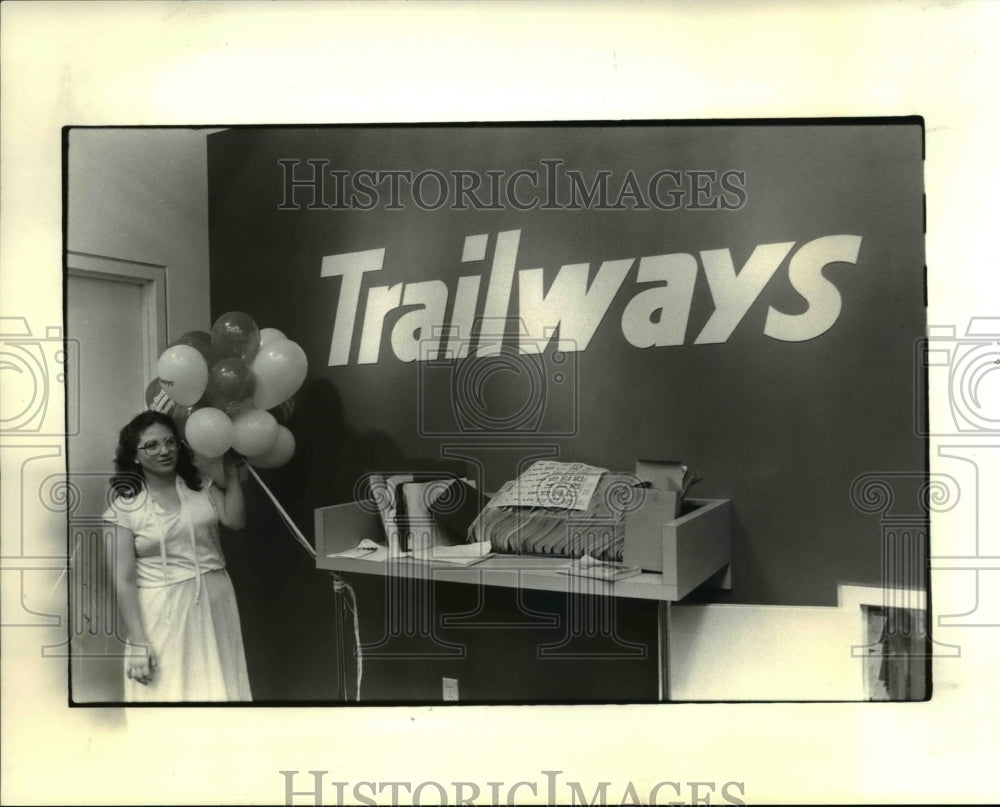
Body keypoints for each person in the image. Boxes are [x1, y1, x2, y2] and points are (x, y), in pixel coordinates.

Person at [102, 410, 252, 701]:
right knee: (169, 691)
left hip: (216, 597)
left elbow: (235, 520)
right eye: (152, 445)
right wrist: (137, 641)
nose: (164, 451)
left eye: (170, 442)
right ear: (134, 455)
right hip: (163, 609)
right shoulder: (124, 509)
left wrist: (232, 474)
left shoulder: (198, 484)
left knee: (220, 686)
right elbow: (123, 580)